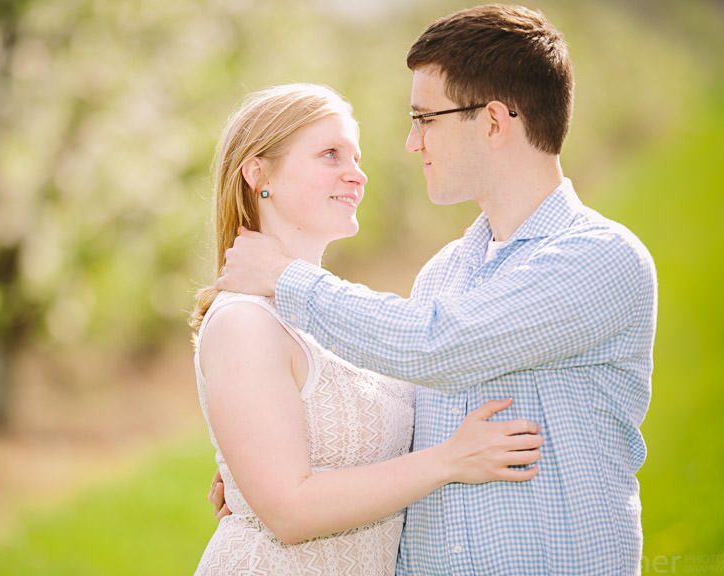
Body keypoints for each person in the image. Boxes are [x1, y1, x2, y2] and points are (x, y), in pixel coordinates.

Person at [214, 5, 658, 576]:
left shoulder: (598, 258)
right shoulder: (443, 273)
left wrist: (285, 276)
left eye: (425, 119)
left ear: (493, 122)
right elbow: (399, 419)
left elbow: (437, 345)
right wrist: (258, 456)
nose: (412, 142)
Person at [190, 83, 543, 575]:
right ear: (258, 174)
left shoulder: (330, 314)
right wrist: (451, 460)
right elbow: (290, 511)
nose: (356, 174)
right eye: (330, 155)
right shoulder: (244, 321)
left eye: (356, 157)